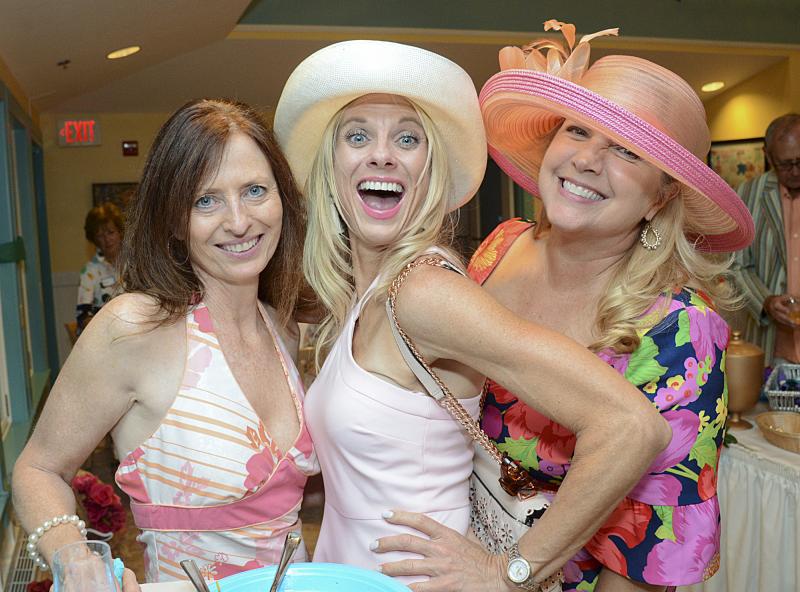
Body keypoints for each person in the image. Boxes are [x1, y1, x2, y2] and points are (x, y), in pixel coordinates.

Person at [274, 39, 672, 589]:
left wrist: (509, 573)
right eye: (357, 134)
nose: (382, 154)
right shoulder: (362, 294)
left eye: (407, 139)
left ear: (430, 169)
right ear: (331, 164)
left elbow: (631, 426)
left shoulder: (424, 293)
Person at [381, 22, 755, 592]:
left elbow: (649, 552)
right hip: (441, 559)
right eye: (578, 130)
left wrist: (508, 574)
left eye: (628, 150)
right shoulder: (498, 249)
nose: (587, 159)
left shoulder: (681, 329)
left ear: (660, 198)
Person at [12, 99, 317, 586]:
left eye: (255, 190)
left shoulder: (281, 325)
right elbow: (38, 469)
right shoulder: (134, 328)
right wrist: (73, 556)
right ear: (174, 220)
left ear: (283, 198)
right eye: (206, 200)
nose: (239, 221)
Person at [733, 113, 800, 364]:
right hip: (771, 346)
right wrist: (766, 301)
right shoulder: (746, 195)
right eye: (785, 164)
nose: (794, 171)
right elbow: (735, 264)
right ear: (768, 155)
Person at [76, 202, 124, 333]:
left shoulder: (137, 265)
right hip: (104, 336)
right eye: (100, 236)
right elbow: (83, 316)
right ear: (95, 240)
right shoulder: (89, 271)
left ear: (120, 232)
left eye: (111, 232)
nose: (107, 240)